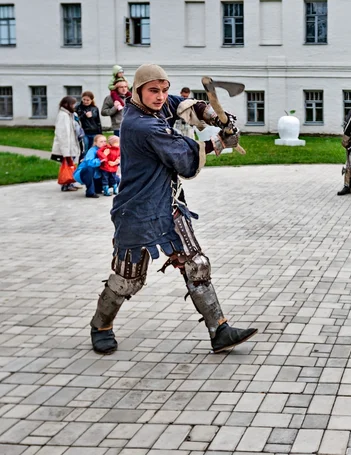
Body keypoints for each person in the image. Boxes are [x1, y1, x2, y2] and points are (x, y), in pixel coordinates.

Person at [89, 63, 258, 355]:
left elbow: (182, 105)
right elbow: (183, 156)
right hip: (138, 208)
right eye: (154, 90)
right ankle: (101, 325)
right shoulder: (141, 125)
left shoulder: (154, 107)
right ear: (138, 92)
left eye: (164, 89)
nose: (160, 96)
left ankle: (219, 329)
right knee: (128, 279)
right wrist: (220, 141)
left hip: (168, 203)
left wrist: (215, 116)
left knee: (197, 263)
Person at [51, 96, 81, 192]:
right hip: (66, 147)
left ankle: (70, 182)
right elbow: (63, 135)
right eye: (73, 104)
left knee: (71, 165)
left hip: (71, 146)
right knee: (67, 165)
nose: (74, 106)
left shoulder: (69, 115)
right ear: (66, 104)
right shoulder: (63, 116)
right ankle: (65, 184)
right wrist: (66, 153)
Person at [74, 134, 106, 198]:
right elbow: (90, 163)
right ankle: (90, 192)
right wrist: (100, 160)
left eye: (105, 141)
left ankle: (98, 188)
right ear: (95, 143)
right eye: (101, 141)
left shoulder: (106, 150)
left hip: (96, 174)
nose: (104, 143)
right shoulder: (92, 150)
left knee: (116, 179)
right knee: (89, 169)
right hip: (83, 173)